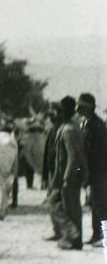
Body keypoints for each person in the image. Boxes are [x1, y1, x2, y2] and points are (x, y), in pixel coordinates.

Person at [46, 96, 87, 250]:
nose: (56, 114)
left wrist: (67, 178)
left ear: (63, 112)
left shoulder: (69, 129)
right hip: (63, 175)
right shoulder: (68, 127)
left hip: (69, 175)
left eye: (58, 111)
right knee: (61, 204)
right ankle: (72, 237)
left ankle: (73, 237)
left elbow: (73, 156)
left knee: (69, 207)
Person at [77, 93, 107, 246]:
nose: (78, 110)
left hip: (99, 171)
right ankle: (97, 234)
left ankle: (103, 236)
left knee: (101, 204)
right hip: (93, 171)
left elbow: (98, 151)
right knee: (95, 204)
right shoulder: (87, 123)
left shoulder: (97, 125)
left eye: (81, 107)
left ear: (88, 108)